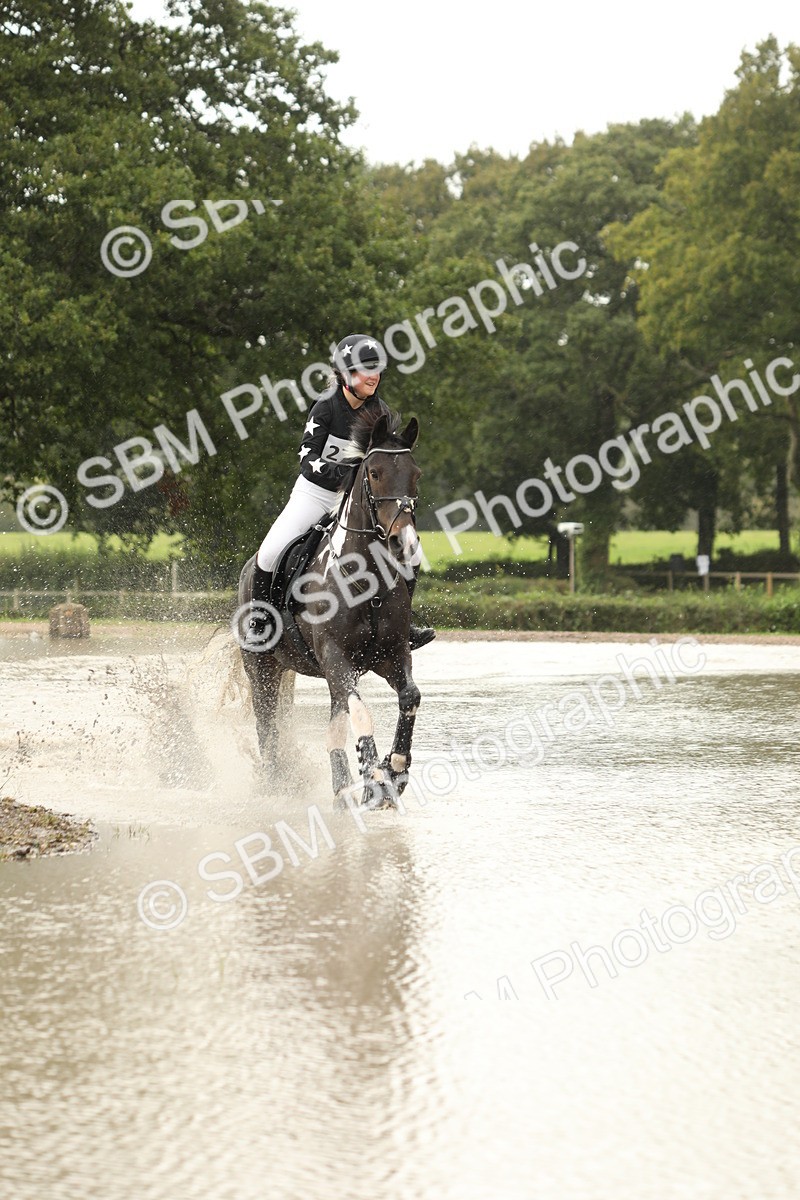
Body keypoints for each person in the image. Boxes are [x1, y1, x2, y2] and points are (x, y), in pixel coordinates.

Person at [245, 332, 435, 650]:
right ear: (346, 375)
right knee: (269, 552)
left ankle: (403, 622)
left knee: (412, 551)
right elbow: (308, 460)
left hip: (358, 499)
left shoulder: (381, 413)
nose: (374, 376)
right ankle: (260, 621)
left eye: (377, 368)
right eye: (366, 369)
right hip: (316, 492)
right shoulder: (326, 408)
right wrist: (345, 475)